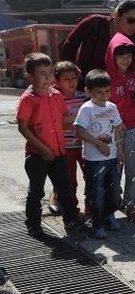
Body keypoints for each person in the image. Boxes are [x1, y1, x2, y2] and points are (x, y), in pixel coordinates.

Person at [16, 53, 85, 237]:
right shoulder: (28, 99)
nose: (48, 78)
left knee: (65, 189)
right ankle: (33, 224)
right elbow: (23, 128)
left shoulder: (56, 95)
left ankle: (71, 220)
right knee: (36, 192)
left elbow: (63, 119)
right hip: (37, 155)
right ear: (31, 76)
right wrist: (42, 149)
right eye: (42, 74)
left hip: (59, 152)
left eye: (49, 73)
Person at [104, 33, 135, 222]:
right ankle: (112, 203)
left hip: (134, 128)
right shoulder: (105, 78)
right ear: (111, 55)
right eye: (120, 54)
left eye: (129, 54)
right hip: (110, 131)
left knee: (133, 168)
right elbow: (99, 105)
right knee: (113, 168)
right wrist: (115, 122)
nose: (126, 59)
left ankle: (131, 204)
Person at [61, 0, 135, 89]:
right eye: (130, 21)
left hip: (113, 92)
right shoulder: (94, 23)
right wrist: (72, 73)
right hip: (85, 86)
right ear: (116, 15)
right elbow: (69, 45)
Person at [74, 70, 124, 239]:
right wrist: (98, 144)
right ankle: (97, 224)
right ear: (88, 91)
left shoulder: (112, 107)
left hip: (112, 158)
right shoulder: (86, 109)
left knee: (114, 190)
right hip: (94, 160)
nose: (104, 95)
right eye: (99, 92)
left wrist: (120, 150)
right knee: (97, 192)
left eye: (107, 91)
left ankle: (110, 214)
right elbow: (79, 130)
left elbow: (118, 129)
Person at [47, 61, 89, 217]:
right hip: (64, 147)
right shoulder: (53, 98)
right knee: (69, 182)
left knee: (90, 178)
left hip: (84, 146)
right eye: (66, 79)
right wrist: (76, 118)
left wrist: (68, 119)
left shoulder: (84, 97)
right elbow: (54, 120)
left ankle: (91, 210)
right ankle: (71, 212)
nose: (72, 82)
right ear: (57, 81)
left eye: (74, 78)